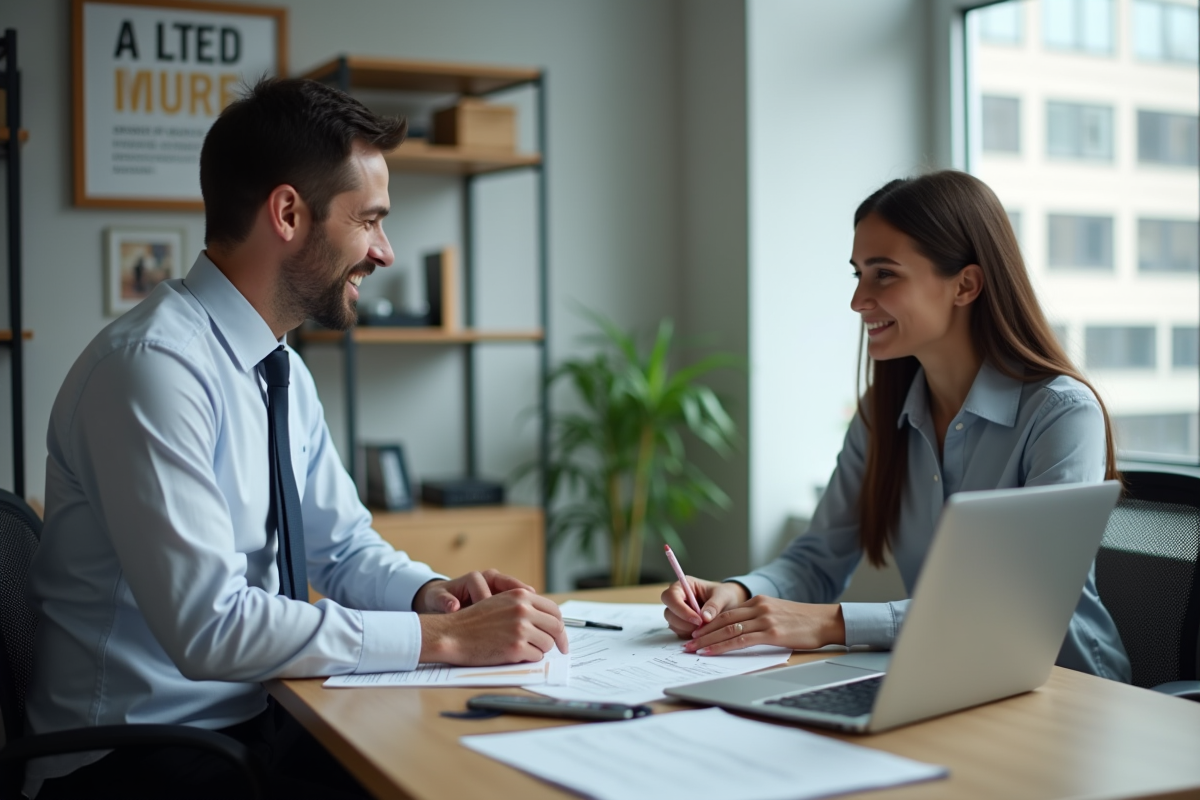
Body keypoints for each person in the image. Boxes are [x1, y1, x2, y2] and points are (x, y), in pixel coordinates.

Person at [25, 78, 568, 800]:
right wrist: (444, 643)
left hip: (259, 716)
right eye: (369, 220)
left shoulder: (276, 367)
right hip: (131, 758)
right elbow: (211, 627)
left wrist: (431, 598)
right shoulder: (151, 371)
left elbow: (341, 547)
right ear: (287, 213)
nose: (386, 252)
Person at [661, 170, 1131, 683]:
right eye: (857, 273)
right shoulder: (881, 414)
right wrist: (738, 593)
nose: (859, 300)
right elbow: (818, 560)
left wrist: (830, 624)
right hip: (943, 679)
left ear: (965, 285)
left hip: (1069, 690)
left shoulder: (1062, 415)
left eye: (883, 274)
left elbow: (1015, 607)